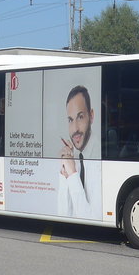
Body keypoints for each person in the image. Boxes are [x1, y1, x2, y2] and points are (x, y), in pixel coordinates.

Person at [59, 85, 96, 218]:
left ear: (91, 116)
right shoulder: (74, 157)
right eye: (70, 120)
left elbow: (89, 218)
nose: (74, 129)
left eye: (80, 117)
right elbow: (63, 214)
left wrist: (73, 174)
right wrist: (65, 174)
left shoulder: (98, 161)